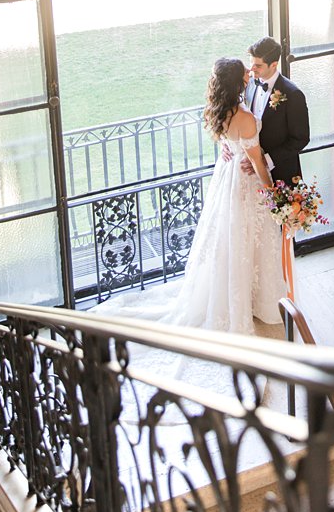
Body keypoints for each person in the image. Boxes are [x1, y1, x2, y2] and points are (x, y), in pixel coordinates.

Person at [107, 58, 282, 333]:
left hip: (226, 175)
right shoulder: (244, 118)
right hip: (243, 181)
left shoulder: (218, 109)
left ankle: (241, 297)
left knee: (230, 240)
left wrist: (227, 147)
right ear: (236, 82)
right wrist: (273, 194)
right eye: (244, 72)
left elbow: (228, 141)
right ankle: (250, 301)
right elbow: (257, 162)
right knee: (245, 238)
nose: (250, 73)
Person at [244, 37, 311, 187]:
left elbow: (301, 139)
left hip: (282, 172)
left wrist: (266, 160)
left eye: (258, 66)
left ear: (274, 64)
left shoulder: (293, 95)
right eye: (251, 64)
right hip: (251, 172)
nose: (252, 69)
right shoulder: (250, 84)